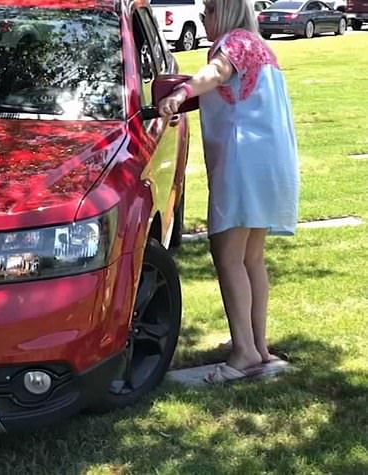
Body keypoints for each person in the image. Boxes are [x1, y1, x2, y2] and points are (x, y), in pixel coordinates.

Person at [157, 0, 299, 383]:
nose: (203, 18)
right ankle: (258, 345)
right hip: (269, 161)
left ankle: (243, 353)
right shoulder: (260, 46)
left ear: (224, 12)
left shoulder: (232, 43)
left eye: (208, 10)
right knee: (252, 258)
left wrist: (181, 91)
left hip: (242, 161)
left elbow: (216, 73)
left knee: (227, 255)